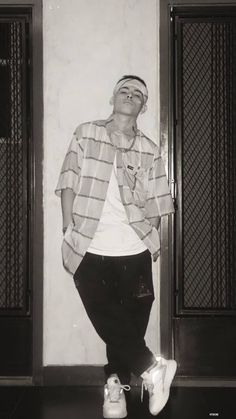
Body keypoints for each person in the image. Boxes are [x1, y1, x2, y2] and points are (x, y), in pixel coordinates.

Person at [55, 75, 177, 418]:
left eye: (137, 94)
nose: (130, 95)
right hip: (89, 247)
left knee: (127, 328)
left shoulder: (149, 149)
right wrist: (68, 226)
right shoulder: (86, 133)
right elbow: (68, 179)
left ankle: (116, 393)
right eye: (124, 90)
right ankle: (153, 370)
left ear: (144, 106)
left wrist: (146, 233)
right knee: (109, 321)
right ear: (113, 97)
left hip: (133, 252)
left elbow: (159, 201)